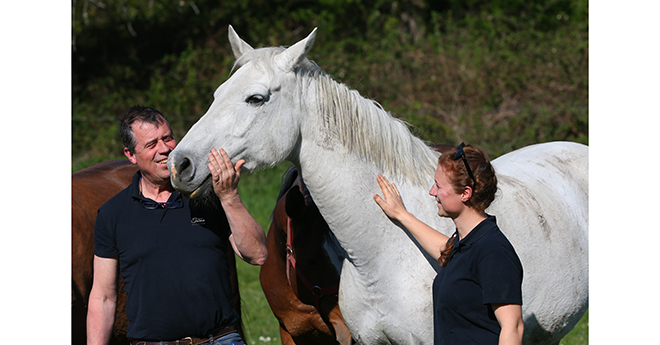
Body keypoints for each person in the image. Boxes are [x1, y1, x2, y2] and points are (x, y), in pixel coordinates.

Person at [87, 105, 268, 345]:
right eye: (151, 144)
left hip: (219, 339)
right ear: (131, 155)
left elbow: (257, 254)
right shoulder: (113, 214)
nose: (164, 149)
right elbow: (103, 297)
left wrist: (229, 198)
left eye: (168, 138)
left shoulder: (209, 197)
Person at [373, 143, 524, 345]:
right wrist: (402, 215)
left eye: (439, 185)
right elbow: (446, 251)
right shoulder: (466, 243)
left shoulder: (493, 252)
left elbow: (513, 328)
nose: (431, 191)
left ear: (465, 193)